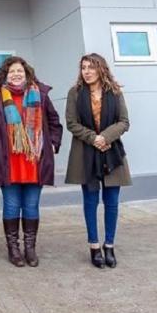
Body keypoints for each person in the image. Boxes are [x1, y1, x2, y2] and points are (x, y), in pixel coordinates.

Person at [0, 56, 63, 267]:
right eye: (12, 72)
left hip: (34, 161)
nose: (16, 75)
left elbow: (54, 122)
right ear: (5, 75)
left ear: (27, 74)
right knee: (11, 206)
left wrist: (53, 143)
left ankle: (30, 249)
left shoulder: (40, 95)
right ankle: (14, 249)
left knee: (31, 206)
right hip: (9, 162)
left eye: (20, 71)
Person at [65, 53, 131, 269]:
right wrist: (94, 138)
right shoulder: (75, 93)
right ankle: (94, 246)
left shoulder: (115, 92)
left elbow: (124, 122)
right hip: (86, 152)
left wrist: (106, 137)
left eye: (91, 67)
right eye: (83, 67)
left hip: (112, 152)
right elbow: (71, 123)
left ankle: (109, 245)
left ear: (101, 69)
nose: (87, 71)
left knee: (111, 202)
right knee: (91, 201)